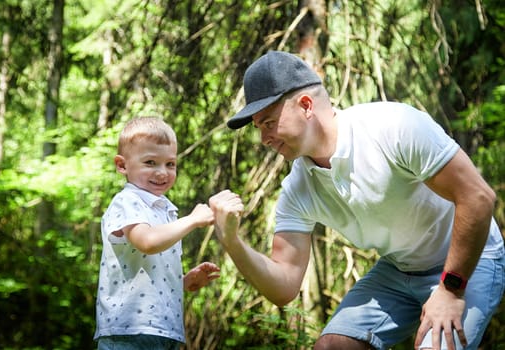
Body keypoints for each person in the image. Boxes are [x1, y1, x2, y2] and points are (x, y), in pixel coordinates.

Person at [209, 51, 505, 350]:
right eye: (259, 128)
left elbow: (478, 198)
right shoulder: (297, 188)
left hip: (471, 259)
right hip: (399, 270)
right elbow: (284, 285)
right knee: (332, 347)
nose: (264, 139)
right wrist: (232, 242)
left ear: (306, 106)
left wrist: (450, 290)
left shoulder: (393, 126)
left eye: (269, 122)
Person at [94, 117, 222, 350]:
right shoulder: (127, 201)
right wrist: (192, 220)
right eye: (151, 162)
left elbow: (149, 268)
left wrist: (183, 282)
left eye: (170, 164)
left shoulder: (165, 210)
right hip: (129, 330)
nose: (162, 172)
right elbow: (147, 242)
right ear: (122, 165)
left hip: (165, 329)